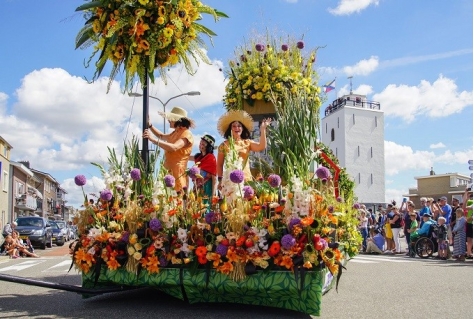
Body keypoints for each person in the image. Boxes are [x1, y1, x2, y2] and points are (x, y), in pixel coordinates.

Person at [144, 107, 195, 192]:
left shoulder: (186, 134)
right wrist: (150, 126)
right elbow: (161, 135)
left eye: (171, 118)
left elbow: (174, 147)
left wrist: (152, 139)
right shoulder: (175, 132)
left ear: (178, 120)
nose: (168, 120)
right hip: (168, 170)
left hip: (178, 173)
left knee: (177, 198)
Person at [216, 110, 271, 187]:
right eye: (234, 126)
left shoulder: (247, 143)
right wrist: (220, 179)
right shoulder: (223, 145)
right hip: (230, 180)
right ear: (230, 129)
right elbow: (219, 164)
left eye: (239, 126)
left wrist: (263, 130)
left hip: (246, 180)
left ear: (242, 128)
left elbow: (262, 146)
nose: (236, 128)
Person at [189, 134, 217, 200]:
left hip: (207, 188)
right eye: (200, 143)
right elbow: (185, 157)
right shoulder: (198, 157)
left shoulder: (211, 158)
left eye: (203, 144)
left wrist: (213, 196)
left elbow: (214, 178)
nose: (201, 145)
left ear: (208, 147)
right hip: (197, 188)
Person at [462, 187, 473, 259]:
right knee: (469, 239)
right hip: (470, 223)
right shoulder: (472, 205)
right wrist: (466, 195)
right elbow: (464, 207)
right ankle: (469, 253)